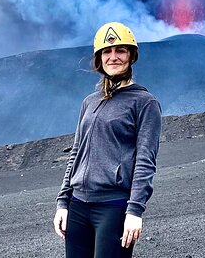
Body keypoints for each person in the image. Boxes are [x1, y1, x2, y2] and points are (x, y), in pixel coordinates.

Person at [53, 22, 162, 257]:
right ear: (99, 58)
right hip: (78, 206)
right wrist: (63, 202)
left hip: (113, 207)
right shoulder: (89, 102)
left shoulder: (144, 103)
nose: (113, 57)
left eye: (120, 50)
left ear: (131, 56)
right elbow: (76, 153)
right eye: (107, 51)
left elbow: (145, 160)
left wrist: (135, 211)